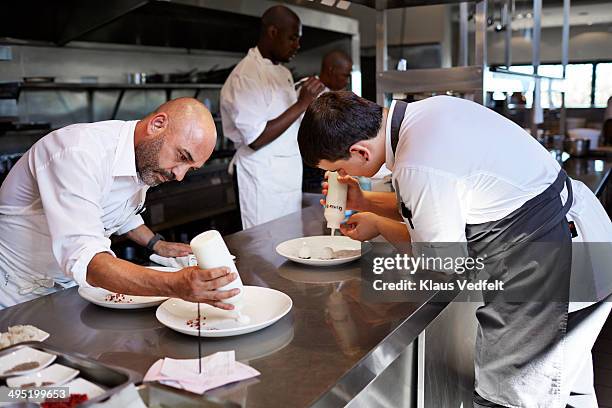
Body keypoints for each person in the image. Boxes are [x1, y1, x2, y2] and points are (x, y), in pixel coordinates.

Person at [298, 91, 612, 407]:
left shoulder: (416, 161)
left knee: (509, 397)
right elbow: (438, 202)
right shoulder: (428, 114)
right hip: (582, 241)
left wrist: (379, 226)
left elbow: (443, 259)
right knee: (566, 390)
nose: (346, 176)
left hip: (550, 266)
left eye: (341, 168)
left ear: (359, 152)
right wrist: (365, 202)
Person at [0, 98, 239, 309]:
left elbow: (119, 209)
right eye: (182, 157)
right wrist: (175, 284)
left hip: (69, 285)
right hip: (17, 290)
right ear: (157, 125)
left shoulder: (146, 157)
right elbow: (87, 259)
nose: (179, 175)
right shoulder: (78, 153)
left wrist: (156, 244)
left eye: (191, 167)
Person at [220, 5, 325, 229]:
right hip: (261, 180)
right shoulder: (246, 76)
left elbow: (288, 119)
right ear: (273, 32)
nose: (297, 45)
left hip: (286, 176)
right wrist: (302, 102)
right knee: (265, 247)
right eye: (292, 38)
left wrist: (308, 103)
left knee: (290, 243)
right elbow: (256, 139)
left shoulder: (283, 72)